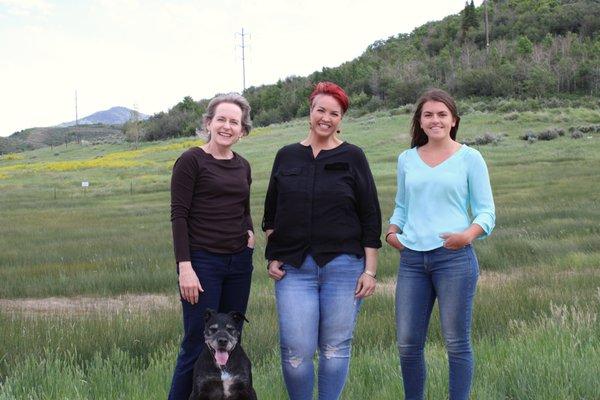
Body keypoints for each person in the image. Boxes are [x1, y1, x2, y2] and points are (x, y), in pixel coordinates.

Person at [263, 81, 382, 400]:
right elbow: (271, 212)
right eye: (321, 110)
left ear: (341, 119)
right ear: (310, 112)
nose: (326, 118)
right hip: (294, 271)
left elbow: (370, 215)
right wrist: (273, 254)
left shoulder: (354, 156)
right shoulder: (286, 156)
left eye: (334, 113)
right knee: (296, 350)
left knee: (335, 348)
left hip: (344, 267)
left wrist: (369, 271)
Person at [386, 88, 495, 400]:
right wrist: (393, 231)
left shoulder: (470, 158)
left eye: (441, 114)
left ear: (453, 120)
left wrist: (468, 235)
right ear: (420, 122)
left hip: (455, 260)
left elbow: (487, 212)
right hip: (412, 262)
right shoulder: (406, 159)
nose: (435, 120)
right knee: (407, 344)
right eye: (428, 115)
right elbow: (402, 206)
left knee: (456, 342)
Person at [168, 93, 254, 400]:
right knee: (195, 344)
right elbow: (179, 215)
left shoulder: (243, 165)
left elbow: (243, 207)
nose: (227, 126)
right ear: (208, 122)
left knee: (231, 339)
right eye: (221, 119)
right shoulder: (191, 160)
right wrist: (185, 267)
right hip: (202, 263)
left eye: (235, 122)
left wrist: (250, 233)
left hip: (239, 264)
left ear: (242, 129)